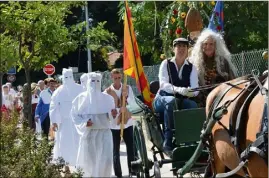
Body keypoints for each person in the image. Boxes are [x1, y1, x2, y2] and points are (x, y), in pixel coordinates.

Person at [153, 37, 199, 153]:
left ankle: (190, 141)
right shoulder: (166, 63)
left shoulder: (191, 67)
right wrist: (180, 90)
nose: (181, 49)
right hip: (162, 99)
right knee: (171, 101)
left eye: (184, 46)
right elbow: (163, 84)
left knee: (192, 104)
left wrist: (190, 91)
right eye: (178, 46)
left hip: (181, 100)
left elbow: (195, 89)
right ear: (174, 49)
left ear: (188, 49)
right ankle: (168, 142)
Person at [71, 72, 115, 177]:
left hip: (104, 134)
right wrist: (84, 123)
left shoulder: (108, 99)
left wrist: (112, 114)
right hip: (89, 134)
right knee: (89, 162)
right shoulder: (80, 99)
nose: (95, 84)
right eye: (92, 81)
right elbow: (75, 116)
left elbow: (112, 117)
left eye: (97, 81)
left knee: (106, 161)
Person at [189, 29, 236, 106]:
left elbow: (233, 81)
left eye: (211, 44)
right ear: (201, 45)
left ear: (215, 46)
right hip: (201, 101)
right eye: (205, 44)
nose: (208, 46)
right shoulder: (194, 63)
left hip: (222, 99)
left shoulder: (223, 62)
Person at [104, 69, 137, 178]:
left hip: (127, 123)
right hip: (114, 126)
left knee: (131, 149)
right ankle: (119, 174)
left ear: (121, 77)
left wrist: (126, 97)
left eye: (119, 77)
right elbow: (108, 110)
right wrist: (118, 110)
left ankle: (132, 172)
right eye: (115, 78)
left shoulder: (127, 88)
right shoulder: (107, 92)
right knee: (115, 151)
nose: (117, 80)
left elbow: (133, 104)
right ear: (111, 77)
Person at [49, 68, 83, 166]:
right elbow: (53, 107)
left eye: (69, 77)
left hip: (77, 122)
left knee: (77, 142)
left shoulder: (80, 89)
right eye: (66, 77)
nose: (68, 79)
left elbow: (85, 104)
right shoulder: (58, 91)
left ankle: (78, 162)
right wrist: (54, 121)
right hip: (64, 123)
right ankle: (65, 163)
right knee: (64, 143)